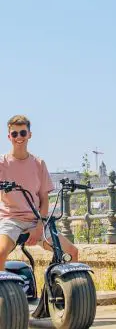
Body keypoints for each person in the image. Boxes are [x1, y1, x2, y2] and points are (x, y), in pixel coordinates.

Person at [0, 115, 79, 270]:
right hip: (11, 220)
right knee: (0, 254)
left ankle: (61, 289)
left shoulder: (38, 163)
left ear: (29, 134)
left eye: (22, 133)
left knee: (72, 252)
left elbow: (44, 198)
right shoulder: (2, 163)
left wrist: (39, 226)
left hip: (36, 220)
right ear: (9, 137)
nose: (19, 137)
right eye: (14, 134)